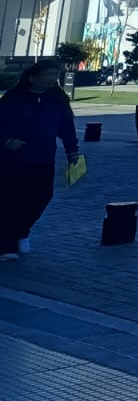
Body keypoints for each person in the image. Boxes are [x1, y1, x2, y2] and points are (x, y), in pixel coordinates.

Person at [0, 60, 81, 260]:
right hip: (14, 159)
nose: (52, 78)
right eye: (48, 74)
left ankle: (22, 230)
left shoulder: (57, 99)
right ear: (33, 77)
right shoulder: (15, 98)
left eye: (55, 74)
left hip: (44, 157)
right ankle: (6, 245)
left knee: (42, 196)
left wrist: (73, 153)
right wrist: (8, 140)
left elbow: (67, 128)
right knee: (11, 200)